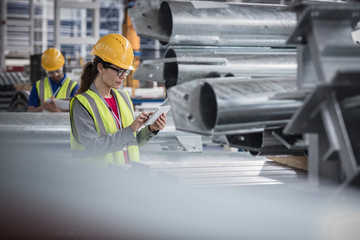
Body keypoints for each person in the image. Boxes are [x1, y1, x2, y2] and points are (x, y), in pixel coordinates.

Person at [70, 33, 167, 165]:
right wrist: (130, 129)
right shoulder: (82, 103)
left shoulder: (124, 98)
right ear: (100, 67)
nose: (123, 77)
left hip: (126, 177)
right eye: (119, 71)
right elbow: (92, 148)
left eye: (126, 71)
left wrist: (151, 129)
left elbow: (131, 143)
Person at [28, 48, 79, 112]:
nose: (55, 75)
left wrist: (57, 111)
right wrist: (43, 107)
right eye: (51, 72)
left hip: (64, 122)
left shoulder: (74, 86)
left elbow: (77, 112)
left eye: (58, 71)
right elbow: (30, 111)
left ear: (62, 66)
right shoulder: (38, 86)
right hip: (43, 121)